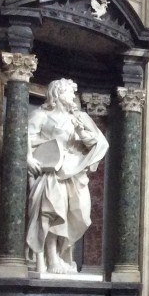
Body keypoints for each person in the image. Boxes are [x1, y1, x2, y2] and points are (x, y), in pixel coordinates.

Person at [26, 78, 108, 275]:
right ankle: (52, 259)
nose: (73, 96)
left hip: (74, 172)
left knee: (79, 213)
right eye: (70, 92)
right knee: (55, 211)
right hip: (51, 172)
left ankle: (63, 258)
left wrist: (82, 130)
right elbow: (25, 137)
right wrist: (28, 158)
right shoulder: (41, 115)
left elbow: (95, 144)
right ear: (58, 94)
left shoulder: (77, 118)